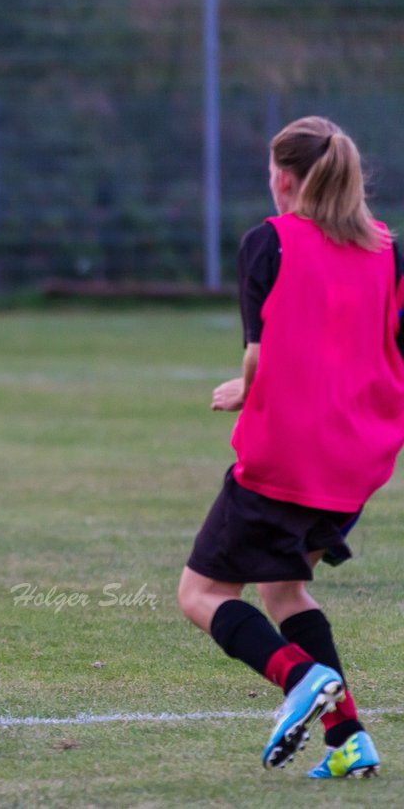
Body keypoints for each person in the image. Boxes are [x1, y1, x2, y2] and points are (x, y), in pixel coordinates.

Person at [177, 116, 404, 778]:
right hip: (355, 467)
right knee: (283, 590)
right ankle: (348, 739)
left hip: (285, 462)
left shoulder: (268, 243)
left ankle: (299, 678)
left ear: (282, 177)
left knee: (201, 594)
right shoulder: (389, 250)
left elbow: (257, 353)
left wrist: (243, 390)